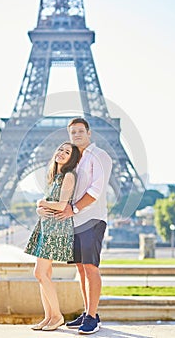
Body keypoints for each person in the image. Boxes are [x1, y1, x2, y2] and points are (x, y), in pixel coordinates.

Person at [56, 117, 112, 335]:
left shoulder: (99, 156)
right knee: (80, 268)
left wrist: (74, 209)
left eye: (80, 131)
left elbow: (96, 191)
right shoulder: (75, 160)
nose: (77, 135)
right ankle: (88, 312)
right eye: (73, 132)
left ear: (89, 133)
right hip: (76, 220)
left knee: (90, 267)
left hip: (92, 218)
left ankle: (92, 317)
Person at [24, 141, 80, 331]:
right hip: (46, 227)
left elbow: (62, 205)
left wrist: (40, 203)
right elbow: (49, 204)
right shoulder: (54, 176)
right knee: (44, 274)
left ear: (71, 158)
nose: (62, 153)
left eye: (67, 152)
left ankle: (56, 316)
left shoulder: (69, 176)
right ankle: (48, 317)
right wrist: (40, 210)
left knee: (39, 273)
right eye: (60, 150)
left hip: (56, 229)